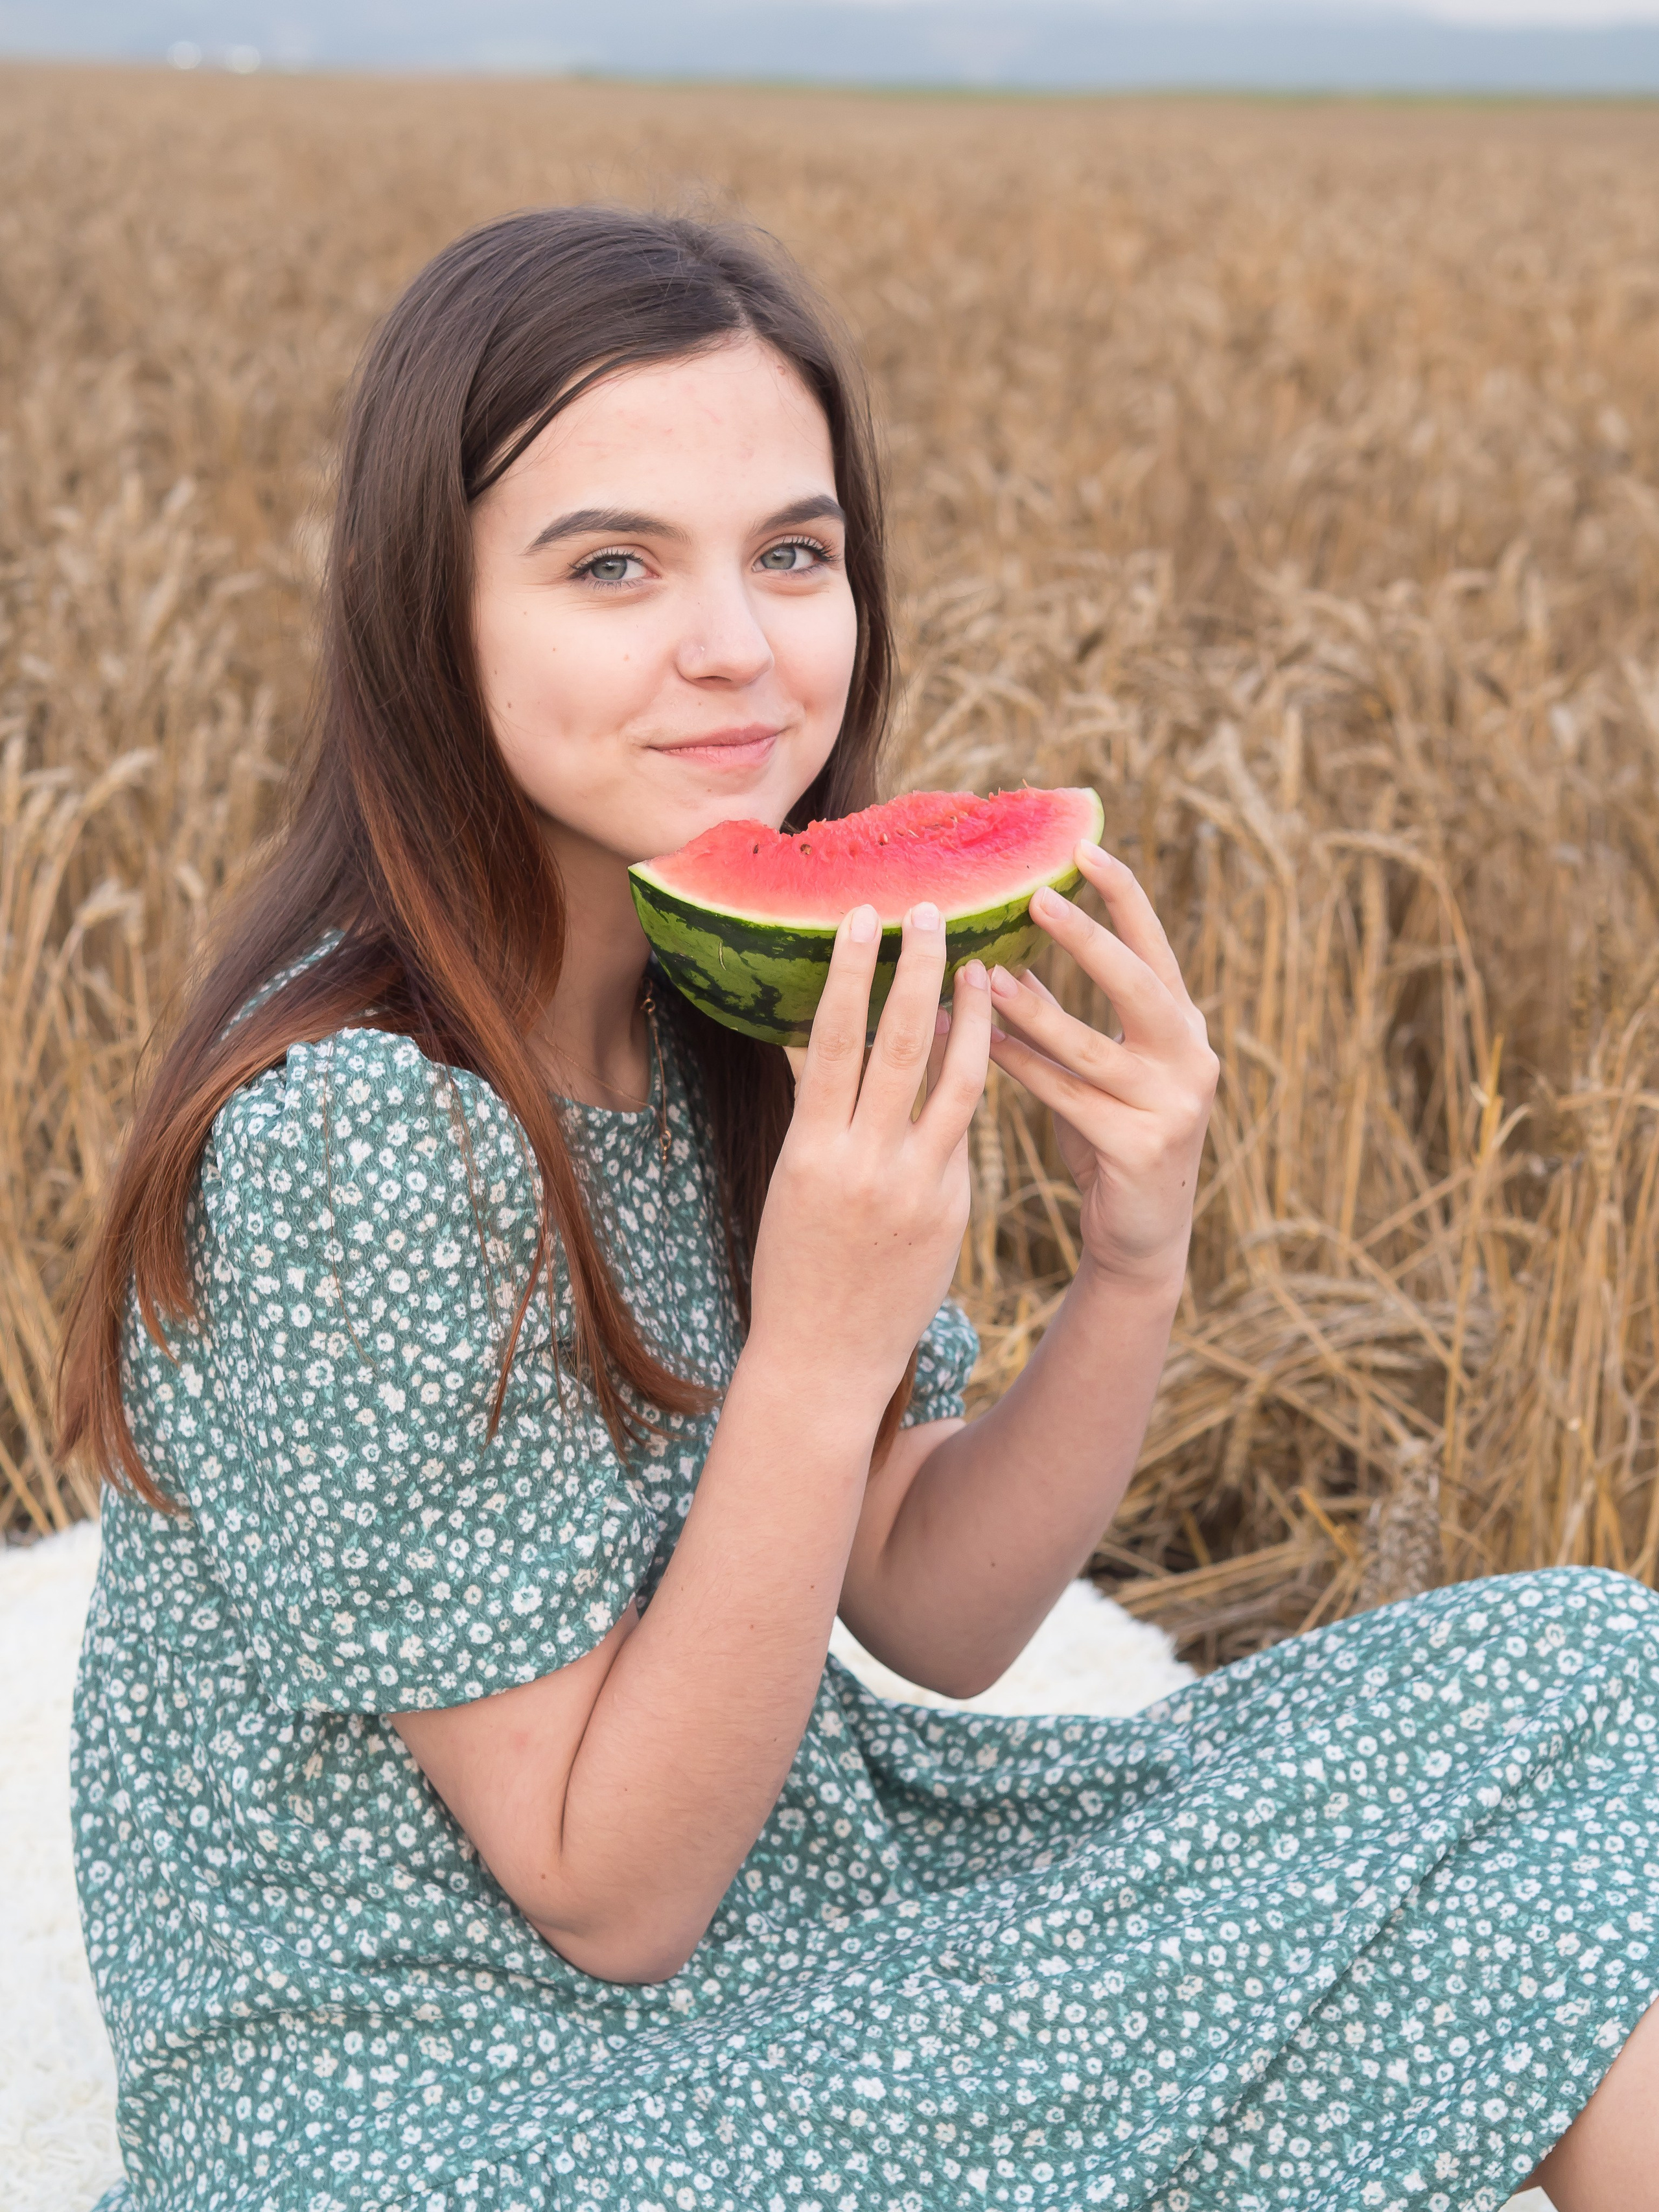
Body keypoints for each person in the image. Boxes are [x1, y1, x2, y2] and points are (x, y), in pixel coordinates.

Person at [58, 205, 1659, 2212]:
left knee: (1599, 1672)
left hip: (778, 1934)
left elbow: (930, 1603)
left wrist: (1134, 1253)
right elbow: (603, 1894)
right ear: (425, 611)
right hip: (452, 2104)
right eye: (613, 563)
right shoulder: (356, 1136)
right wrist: (817, 1342)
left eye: (794, 554)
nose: (738, 642)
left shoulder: (725, 1020)